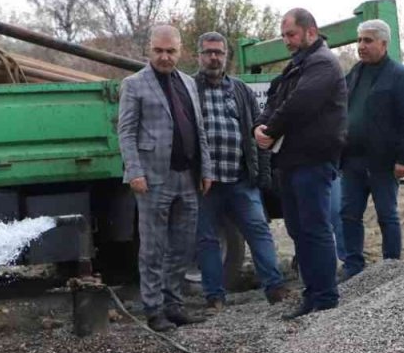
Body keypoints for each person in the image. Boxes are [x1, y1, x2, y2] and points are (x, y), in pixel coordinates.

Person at [117, 25, 214, 332]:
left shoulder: (188, 83)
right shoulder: (134, 84)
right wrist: (134, 171)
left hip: (187, 176)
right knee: (153, 248)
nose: (164, 57)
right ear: (150, 49)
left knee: (183, 246)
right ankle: (153, 309)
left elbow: (199, 130)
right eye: (158, 50)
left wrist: (207, 170)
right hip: (152, 178)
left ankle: (174, 305)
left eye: (170, 51)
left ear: (180, 51)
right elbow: (126, 132)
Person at [254, 8, 347, 320]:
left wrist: (271, 130)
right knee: (299, 230)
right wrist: (261, 126)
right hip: (291, 162)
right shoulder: (295, 67)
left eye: (291, 34)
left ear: (311, 31)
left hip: (313, 161)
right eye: (283, 36)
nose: (286, 41)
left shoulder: (323, 63)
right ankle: (312, 295)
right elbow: (274, 101)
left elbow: (300, 104)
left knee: (315, 229)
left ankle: (325, 298)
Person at [192, 32, 287, 311]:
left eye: (219, 52)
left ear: (226, 57)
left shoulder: (240, 89)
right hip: (204, 182)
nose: (214, 57)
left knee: (259, 232)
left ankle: (275, 289)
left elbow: (259, 130)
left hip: (240, 178)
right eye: (208, 52)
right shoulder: (189, 89)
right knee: (207, 239)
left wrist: (263, 174)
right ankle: (215, 297)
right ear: (199, 55)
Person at [338, 18, 404, 279]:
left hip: (382, 163)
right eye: (359, 40)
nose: (361, 46)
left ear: (384, 44)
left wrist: (403, 158)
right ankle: (353, 268)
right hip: (352, 161)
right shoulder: (355, 73)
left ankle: (391, 269)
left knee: (387, 215)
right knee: (349, 214)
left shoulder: (401, 76)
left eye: (368, 40)